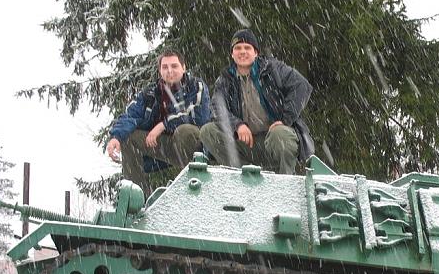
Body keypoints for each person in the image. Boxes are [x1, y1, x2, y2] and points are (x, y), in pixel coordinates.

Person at [200, 29, 314, 174]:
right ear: (232, 54)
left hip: (273, 140)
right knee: (208, 131)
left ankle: (284, 182)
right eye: (238, 48)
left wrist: (285, 120)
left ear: (256, 52)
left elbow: (302, 86)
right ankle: (246, 176)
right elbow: (216, 107)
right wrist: (238, 125)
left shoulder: (273, 69)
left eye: (247, 48)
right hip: (245, 144)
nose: (243, 52)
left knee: (280, 134)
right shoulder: (225, 79)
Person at [106, 49, 210, 194]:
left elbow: (198, 117)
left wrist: (163, 125)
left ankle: (195, 188)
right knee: (129, 137)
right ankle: (136, 197)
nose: (169, 71)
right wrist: (115, 137)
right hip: (163, 147)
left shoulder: (195, 85)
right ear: (160, 70)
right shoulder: (150, 93)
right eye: (165, 67)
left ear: (184, 67)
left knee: (185, 130)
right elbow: (131, 115)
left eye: (174, 66)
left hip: (193, 148)